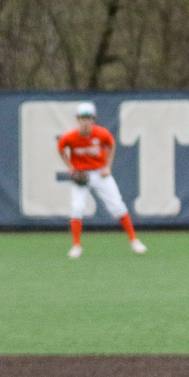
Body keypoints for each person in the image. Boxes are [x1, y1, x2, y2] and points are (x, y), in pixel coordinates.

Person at [57, 102, 146, 259]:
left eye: (88, 118)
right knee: (77, 208)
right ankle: (76, 246)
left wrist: (108, 167)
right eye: (82, 118)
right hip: (81, 175)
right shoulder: (70, 137)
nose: (85, 121)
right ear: (77, 119)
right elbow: (61, 149)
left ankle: (134, 240)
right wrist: (70, 167)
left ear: (93, 119)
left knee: (118, 206)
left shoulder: (101, 133)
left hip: (100, 174)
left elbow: (111, 145)